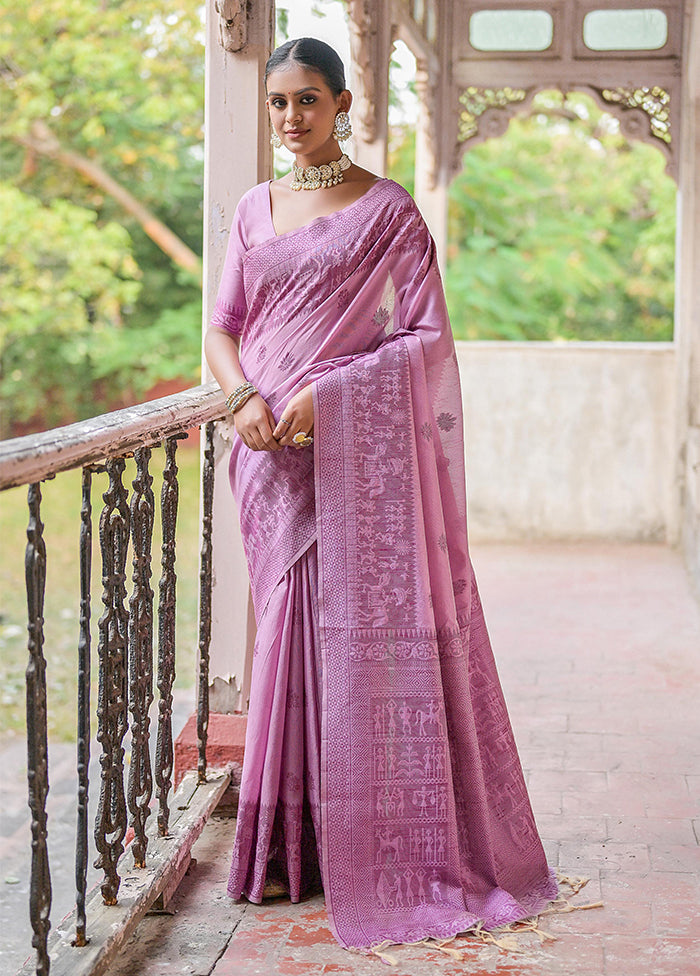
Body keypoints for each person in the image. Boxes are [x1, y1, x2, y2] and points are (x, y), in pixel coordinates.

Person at [204, 36, 557, 955]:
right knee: (288, 633)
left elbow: (427, 340)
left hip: (346, 454)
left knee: (340, 641)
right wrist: (241, 397)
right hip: (267, 459)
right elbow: (222, 325)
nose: (290, 119)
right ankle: (290, 845)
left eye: (307, 102)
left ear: (343, 100)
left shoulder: (388, 212)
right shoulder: (252, 208)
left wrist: (333, 392)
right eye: (278, 103)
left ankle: (357, 847)